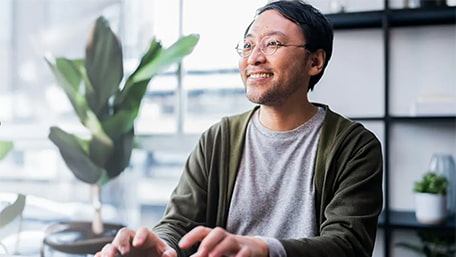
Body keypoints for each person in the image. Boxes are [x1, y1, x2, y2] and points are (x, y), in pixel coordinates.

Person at [95, 1, 383, 256]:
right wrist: (160, 247)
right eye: (248, 45)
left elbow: (349, 244)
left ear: (315, 61)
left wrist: (264, 249)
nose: (254, 57)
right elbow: (179, 222)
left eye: (272, 44)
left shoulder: (354, 146)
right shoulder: (218, 138)